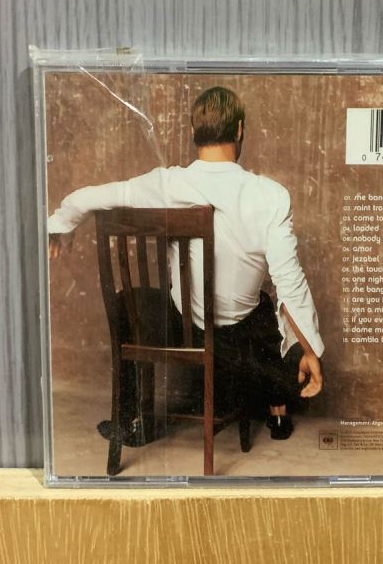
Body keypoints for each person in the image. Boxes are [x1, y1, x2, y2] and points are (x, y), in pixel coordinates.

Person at [48, 86, 324, 441]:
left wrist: (61, 225)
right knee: (265, 306)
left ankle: (129, 420)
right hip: (240, 334)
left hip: (185, 327)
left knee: (126, 300)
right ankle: (278, 409)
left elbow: (91, 196)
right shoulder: (272, 196)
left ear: (195, 131)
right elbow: (289, 279)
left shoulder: (168, 183)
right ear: (239, 129)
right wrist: (309, 348)